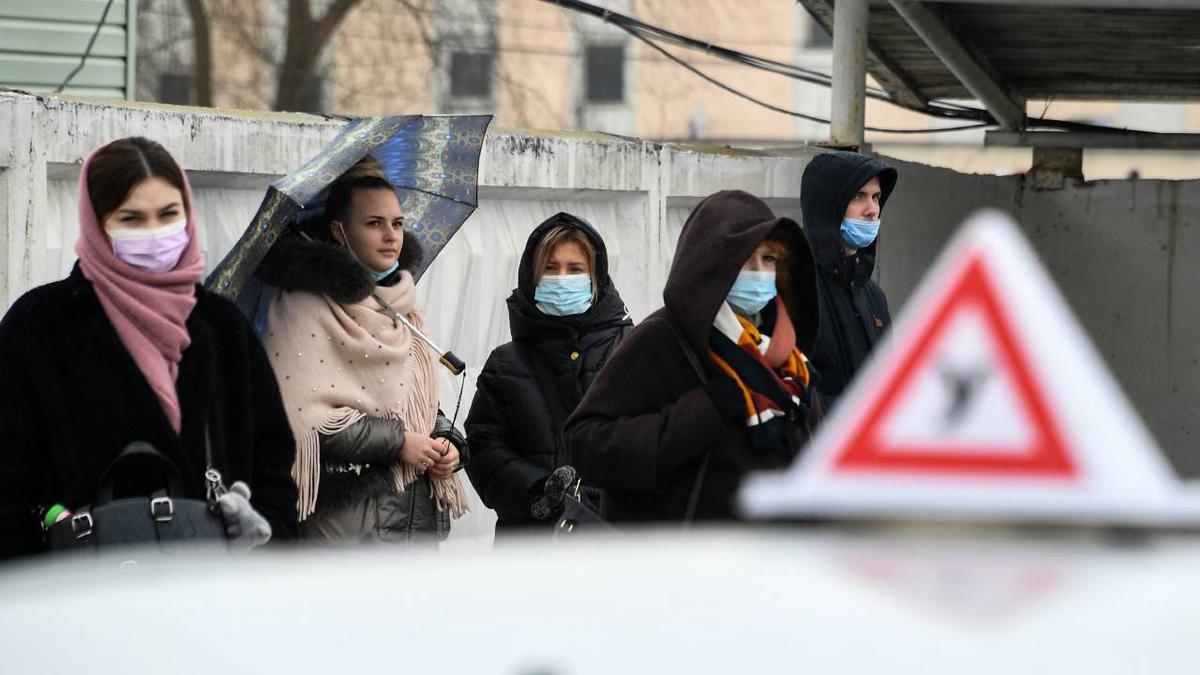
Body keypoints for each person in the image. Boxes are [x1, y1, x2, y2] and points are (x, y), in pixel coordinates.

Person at [0, 137, 298, 558]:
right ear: (96, 224)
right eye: (131, 218)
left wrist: (262, 535)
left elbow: (271, 457)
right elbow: (9, 474)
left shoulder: (220, 324)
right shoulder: (39, 324)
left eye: (168, 214)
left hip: (206, 586)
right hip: (77, 590)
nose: (154, 232)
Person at [564, 190, 821, 522]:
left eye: (768, 259)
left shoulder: (790, 358)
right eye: (745, 260)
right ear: (713, 264)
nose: (759, 272)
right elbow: (586, 444)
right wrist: (703, 412)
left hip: (778, 564)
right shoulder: (662, 338)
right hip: (685, 564)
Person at [256, 158, 469, 545]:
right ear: (340, 230)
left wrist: (448, 442)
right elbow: (302, 425)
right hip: (349, 523)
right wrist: (400, 442)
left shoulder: (404, 310)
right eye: (374, 224)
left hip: (416, 514)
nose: (391, 236)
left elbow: (420, 401)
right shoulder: (303, 308)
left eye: (398, 223)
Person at [465, 213, 632, 531]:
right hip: (532, 548)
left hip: (613, 545)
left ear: (596, 278)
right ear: (533, 277)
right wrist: (542, 490)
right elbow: (484, 449)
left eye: (575, 269)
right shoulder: (505, 364)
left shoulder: (630, 351)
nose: (562, 278)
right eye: (550, 268)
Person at [801, 151, 898, 411]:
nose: (872, 210)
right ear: (826, 204)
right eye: (858, 196)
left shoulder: (873, 297)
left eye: (876, 197)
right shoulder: (794, 288)